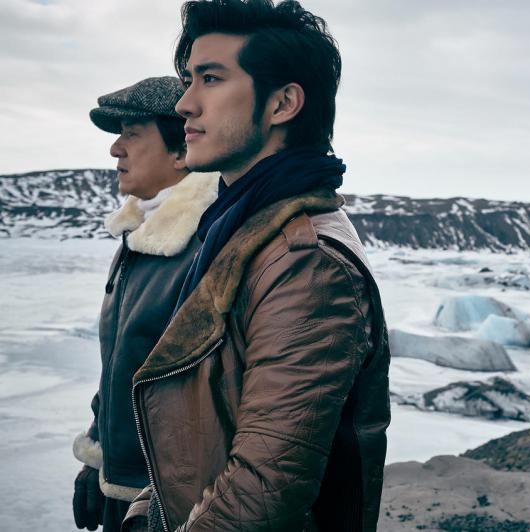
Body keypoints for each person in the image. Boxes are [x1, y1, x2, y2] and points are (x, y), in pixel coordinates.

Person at [121, 1, 391, 531]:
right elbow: (208, 426)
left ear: (283, 103)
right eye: (189, 80)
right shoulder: (240, 230)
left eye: (211, 79)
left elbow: (263, 491)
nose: (184, 104)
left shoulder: (305, 264)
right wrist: (145, 512)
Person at [72, 76, 218, 531]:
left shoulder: (204, 247)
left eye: (132, 134)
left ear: (181, 152)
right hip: (123, 484)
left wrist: (155, 501)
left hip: (168, 503)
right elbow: (123, 364)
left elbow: (205, 400)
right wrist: (98, 456)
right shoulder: (139, 237)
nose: (116, 149)